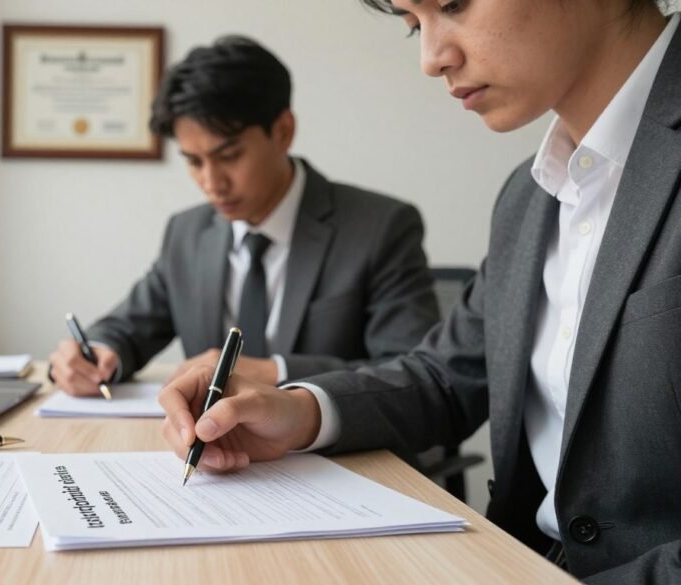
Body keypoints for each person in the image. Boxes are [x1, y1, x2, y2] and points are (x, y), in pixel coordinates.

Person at [158, 1, 681, 582]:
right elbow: (445, 377)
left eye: (453, 3)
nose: (432, 59)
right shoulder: (528, 198)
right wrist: (299, 411)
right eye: (413, 24)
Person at [48, 36, 439, 396]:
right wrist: (95, 351)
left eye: (228, 156)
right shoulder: (187, 232)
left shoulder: (381, 227)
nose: (211, 182)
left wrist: (274, 371)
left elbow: (410, 374)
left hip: (342, 457)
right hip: (213, 454)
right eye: (193, 161)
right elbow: (127, 328)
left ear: (284, 131)